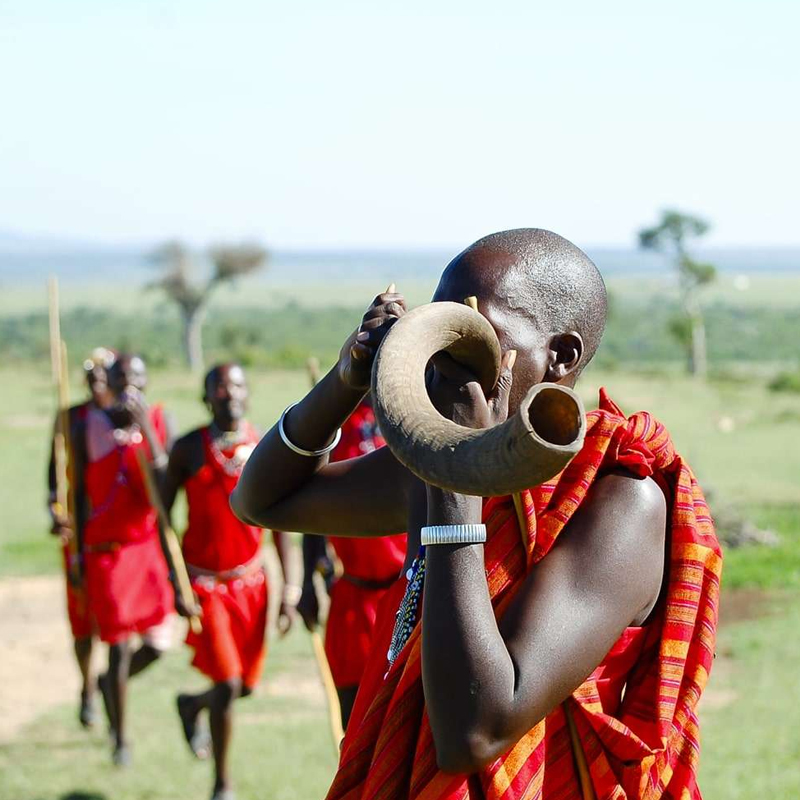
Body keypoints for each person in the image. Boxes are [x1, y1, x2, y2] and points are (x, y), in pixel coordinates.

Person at [231, 229, 722, 800]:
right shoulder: (434, 473)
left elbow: (475, 732)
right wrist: (346, 381)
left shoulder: (622, 498)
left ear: (558, 356)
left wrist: (455, 473)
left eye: (473, 332)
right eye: (437, 327)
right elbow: (263, 501)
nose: (441, 356)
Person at [160, 363, 295, 800]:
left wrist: (290, 591)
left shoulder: (265, 447)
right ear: (206, 397)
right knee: (229, 683)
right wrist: (175, 583)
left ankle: (190, 704)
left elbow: (281, 526)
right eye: (218, 386)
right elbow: (162, 521)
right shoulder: (187, 450)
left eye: (236, 384)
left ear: (247, 393)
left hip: (253, 585)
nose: (228, 393)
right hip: (205, 587)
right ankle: (222, 783)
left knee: (246, 686)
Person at [74, 353, 176, 766]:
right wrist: (78, 553)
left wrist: (144, 432)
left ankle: (105, 686)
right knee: (116, 646)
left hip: (146, 547)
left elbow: (165, 475)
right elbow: (80, 494)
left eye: (136, 377)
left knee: (157, 644)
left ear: (146, 381)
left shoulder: (157, 419)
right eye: (120, 379)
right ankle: (120, 737)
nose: (128, 386)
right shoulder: (88, 425)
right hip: (107, 552)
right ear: (109, 384)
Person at [298, 398, 407, 729]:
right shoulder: (331, 428)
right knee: (354, 721)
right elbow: (313, 506)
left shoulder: (412, 414)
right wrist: (308, 581)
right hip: (353, 597)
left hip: (408, 596)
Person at [47, 347, 115, 728]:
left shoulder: (119, 421)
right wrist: (57, 513)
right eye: (90, 376)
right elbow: (53, 478)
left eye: (103, 375)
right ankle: (87, 686)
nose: (96, 383)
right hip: (78, 535)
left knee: (116, 624)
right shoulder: (70, 417)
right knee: (82, 619)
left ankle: (109, 687)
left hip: (110, 536)